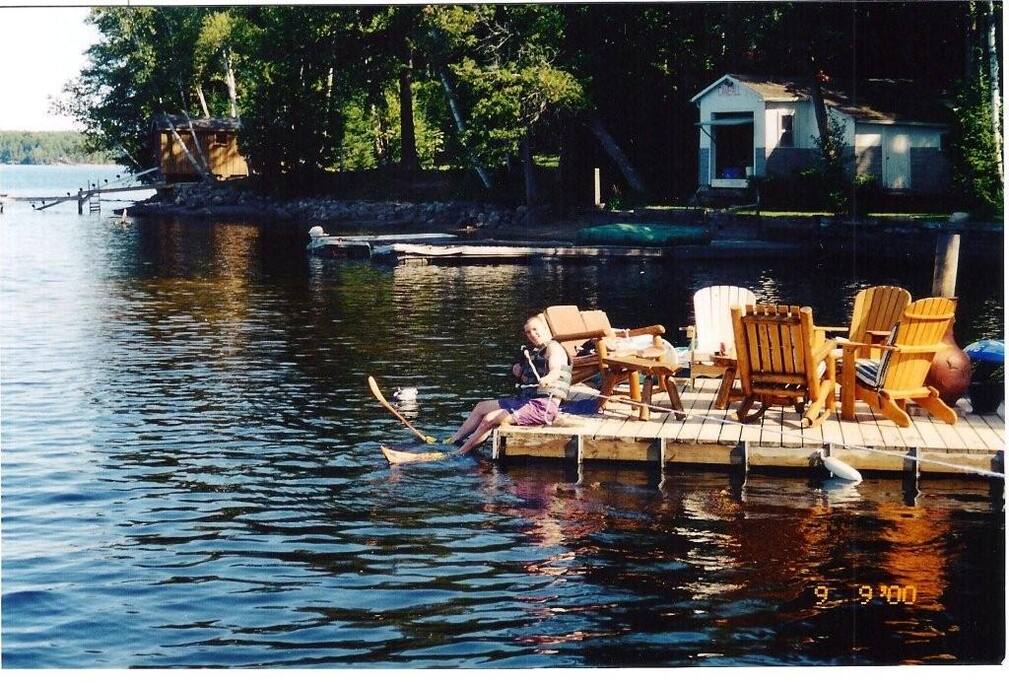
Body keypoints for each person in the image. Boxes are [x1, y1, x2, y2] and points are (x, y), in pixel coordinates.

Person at [448, 315, 571, 454]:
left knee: (490, 418)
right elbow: (526, 379)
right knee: (481, 407)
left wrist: (548, 378)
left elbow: (556, 369)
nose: (532, 334)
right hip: (526, 400)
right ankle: (454, 440)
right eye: (528, 332)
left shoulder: (554, 349)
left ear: (545, 329)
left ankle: (459, 453)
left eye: (535, 329)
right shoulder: (534, 352)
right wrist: (518, 371)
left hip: (543, 407)